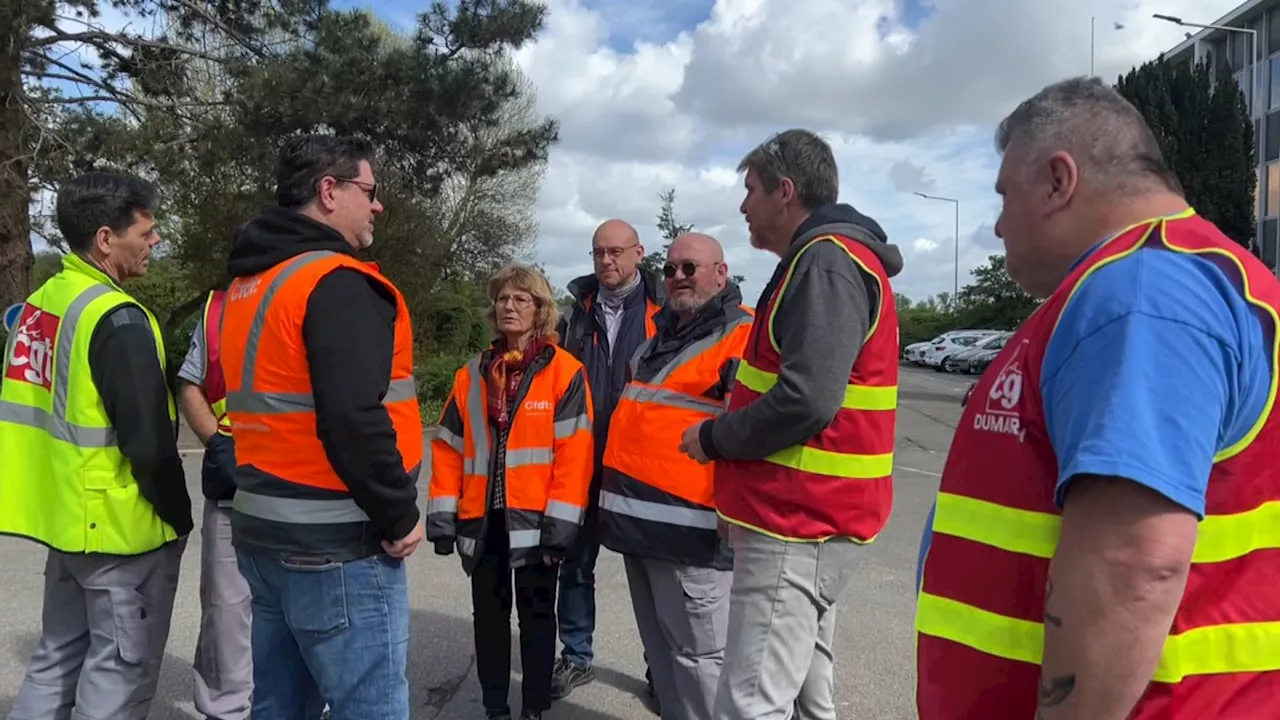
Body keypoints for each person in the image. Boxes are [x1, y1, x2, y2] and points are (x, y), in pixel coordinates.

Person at [916, 76, 1280, 719]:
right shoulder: (1168, 281)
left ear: (1059, 181)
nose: (997, 225)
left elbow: (1133, 566)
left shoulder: (1141, 293)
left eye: (1004, 196)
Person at [679, 129, 905, 720]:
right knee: (808, 697)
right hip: (807, 519)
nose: (743, 205)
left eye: (750, 189)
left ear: (785, 191)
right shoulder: (827, 259)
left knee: (751, 704)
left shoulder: (824, 262)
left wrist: (713, 439)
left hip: (797, 523)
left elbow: (807, 400)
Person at [219, 133, 425, 720]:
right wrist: (399, 514)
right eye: (371, 190)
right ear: (328, 192)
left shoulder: (248, 285)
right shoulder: (334, 281)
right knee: (371, 708)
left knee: (280, 706)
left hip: (265, 532)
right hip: (337, 545)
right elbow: (353, 417)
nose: (378, 205)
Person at [0, 172, 193, 720]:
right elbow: (148, 442)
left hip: (65, 525)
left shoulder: (39, 307)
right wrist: (177, 517)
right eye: (147, 231)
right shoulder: (119, 318)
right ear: (106, 239)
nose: (155, 242)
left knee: (55, 661)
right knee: (117, 678)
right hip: (119, 532)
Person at [426, 263, 595, 720]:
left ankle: (533, 710)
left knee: (538, 621)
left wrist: (560, 529)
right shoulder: (473, 373)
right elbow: (448, 449)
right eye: (503, 298)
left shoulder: (565, 372)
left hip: (538, 523)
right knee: (490, 623)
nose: (509, 306)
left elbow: (574, 454)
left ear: (541, 310)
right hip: (484, 523)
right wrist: (443, 516)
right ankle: (495, 709)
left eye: (521, 299)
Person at [599, 233, 753, 720]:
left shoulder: (742, 335)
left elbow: (749, 437)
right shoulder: (661, 334)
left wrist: (734, 514)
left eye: (690, 267)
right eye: (670, 270)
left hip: (694, 534)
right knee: (664, 659)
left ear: (721, 274)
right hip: (639, 530)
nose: (678, 278)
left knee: (702, 661)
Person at [552, 218, 664, 701]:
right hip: (583, 458)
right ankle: (576, 656)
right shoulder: (577, 311)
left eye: (616, 252)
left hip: (644, 464)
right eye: (598, 252)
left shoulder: (668, 309)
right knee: (575, 563)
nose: (606, 261)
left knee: (654, 573)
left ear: (639, 253)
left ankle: (662, 671)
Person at [176, 283, 254, 720]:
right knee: (226, 614)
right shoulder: (217, 311)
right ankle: (226, 711)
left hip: (302, 490)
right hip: (232, 486)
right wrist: (215, 441)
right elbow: (191, 383)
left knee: (301, 609)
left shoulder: (316, 295)